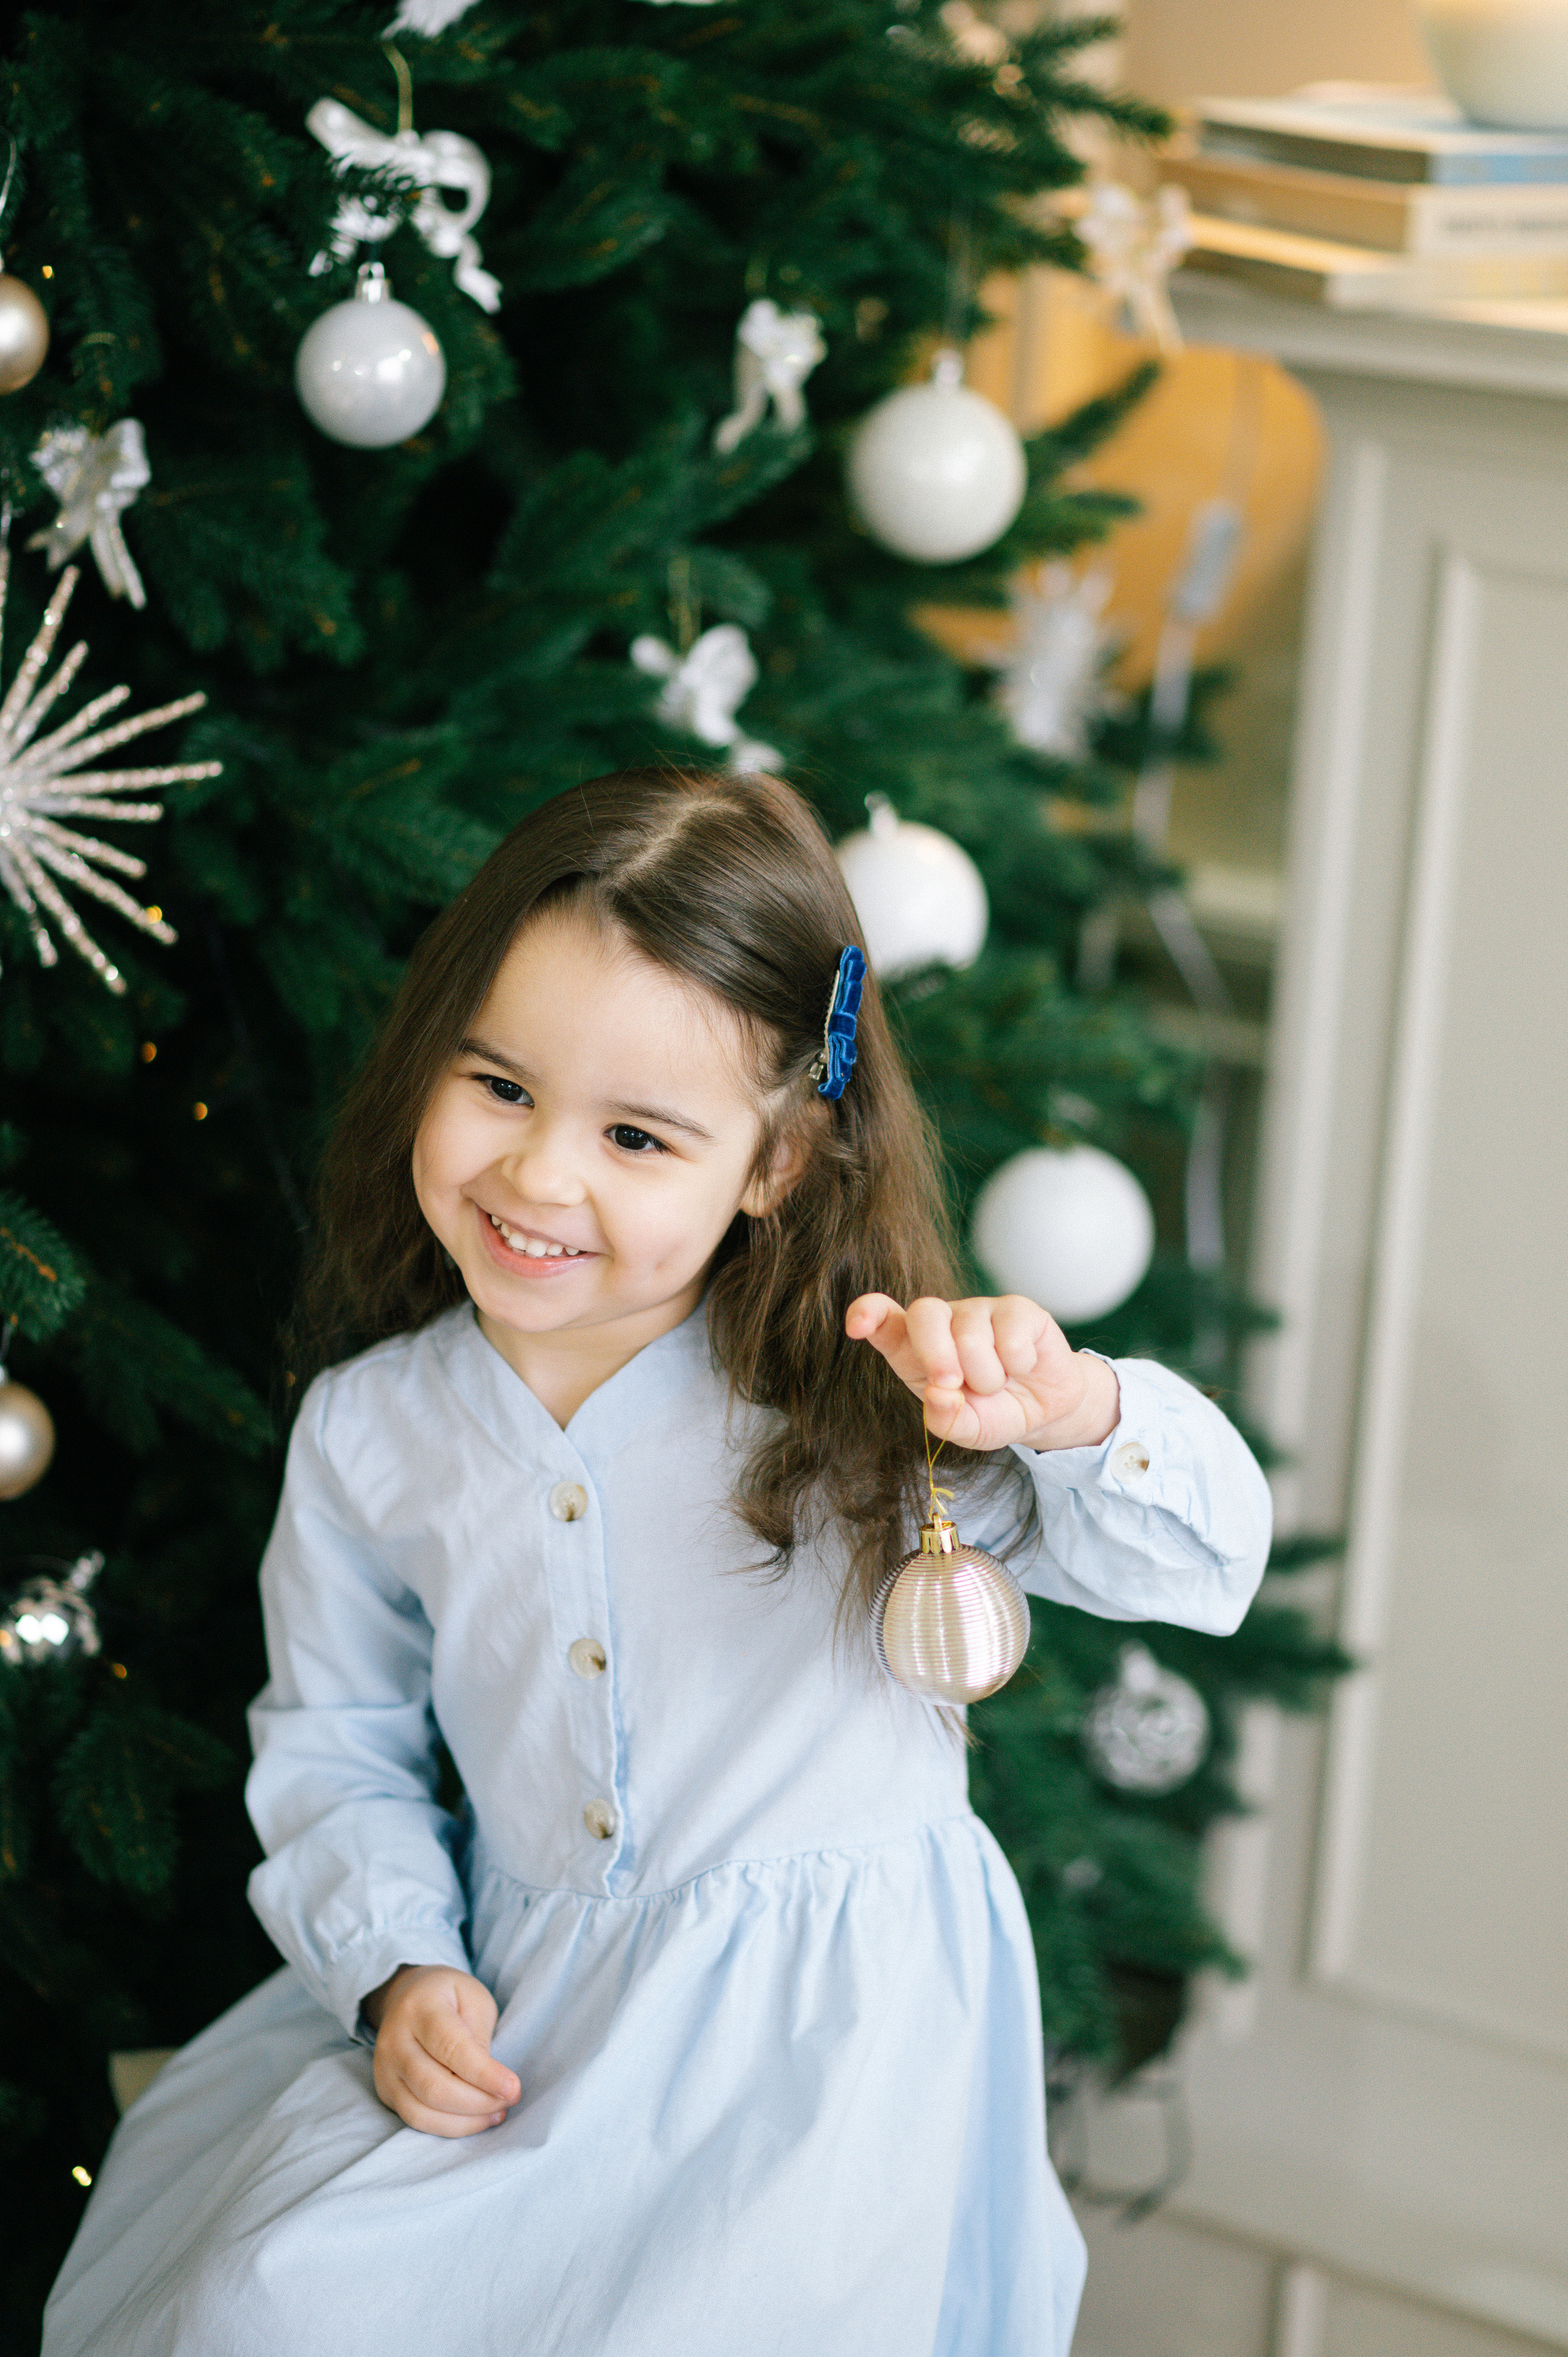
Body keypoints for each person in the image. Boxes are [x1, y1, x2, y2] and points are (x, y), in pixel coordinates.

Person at [43, 766, 1271, 2357]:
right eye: (499, 1085)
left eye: (636, 1134)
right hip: (525, 2028)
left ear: (768, 1167)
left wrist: (1076, 1409)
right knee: (257, 2306)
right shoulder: (372, 1431)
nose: (542, 1176)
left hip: (817, 2077)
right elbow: (333, 1739)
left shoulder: (867, 1402)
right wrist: (399, 1964)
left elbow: (1203, 1560)